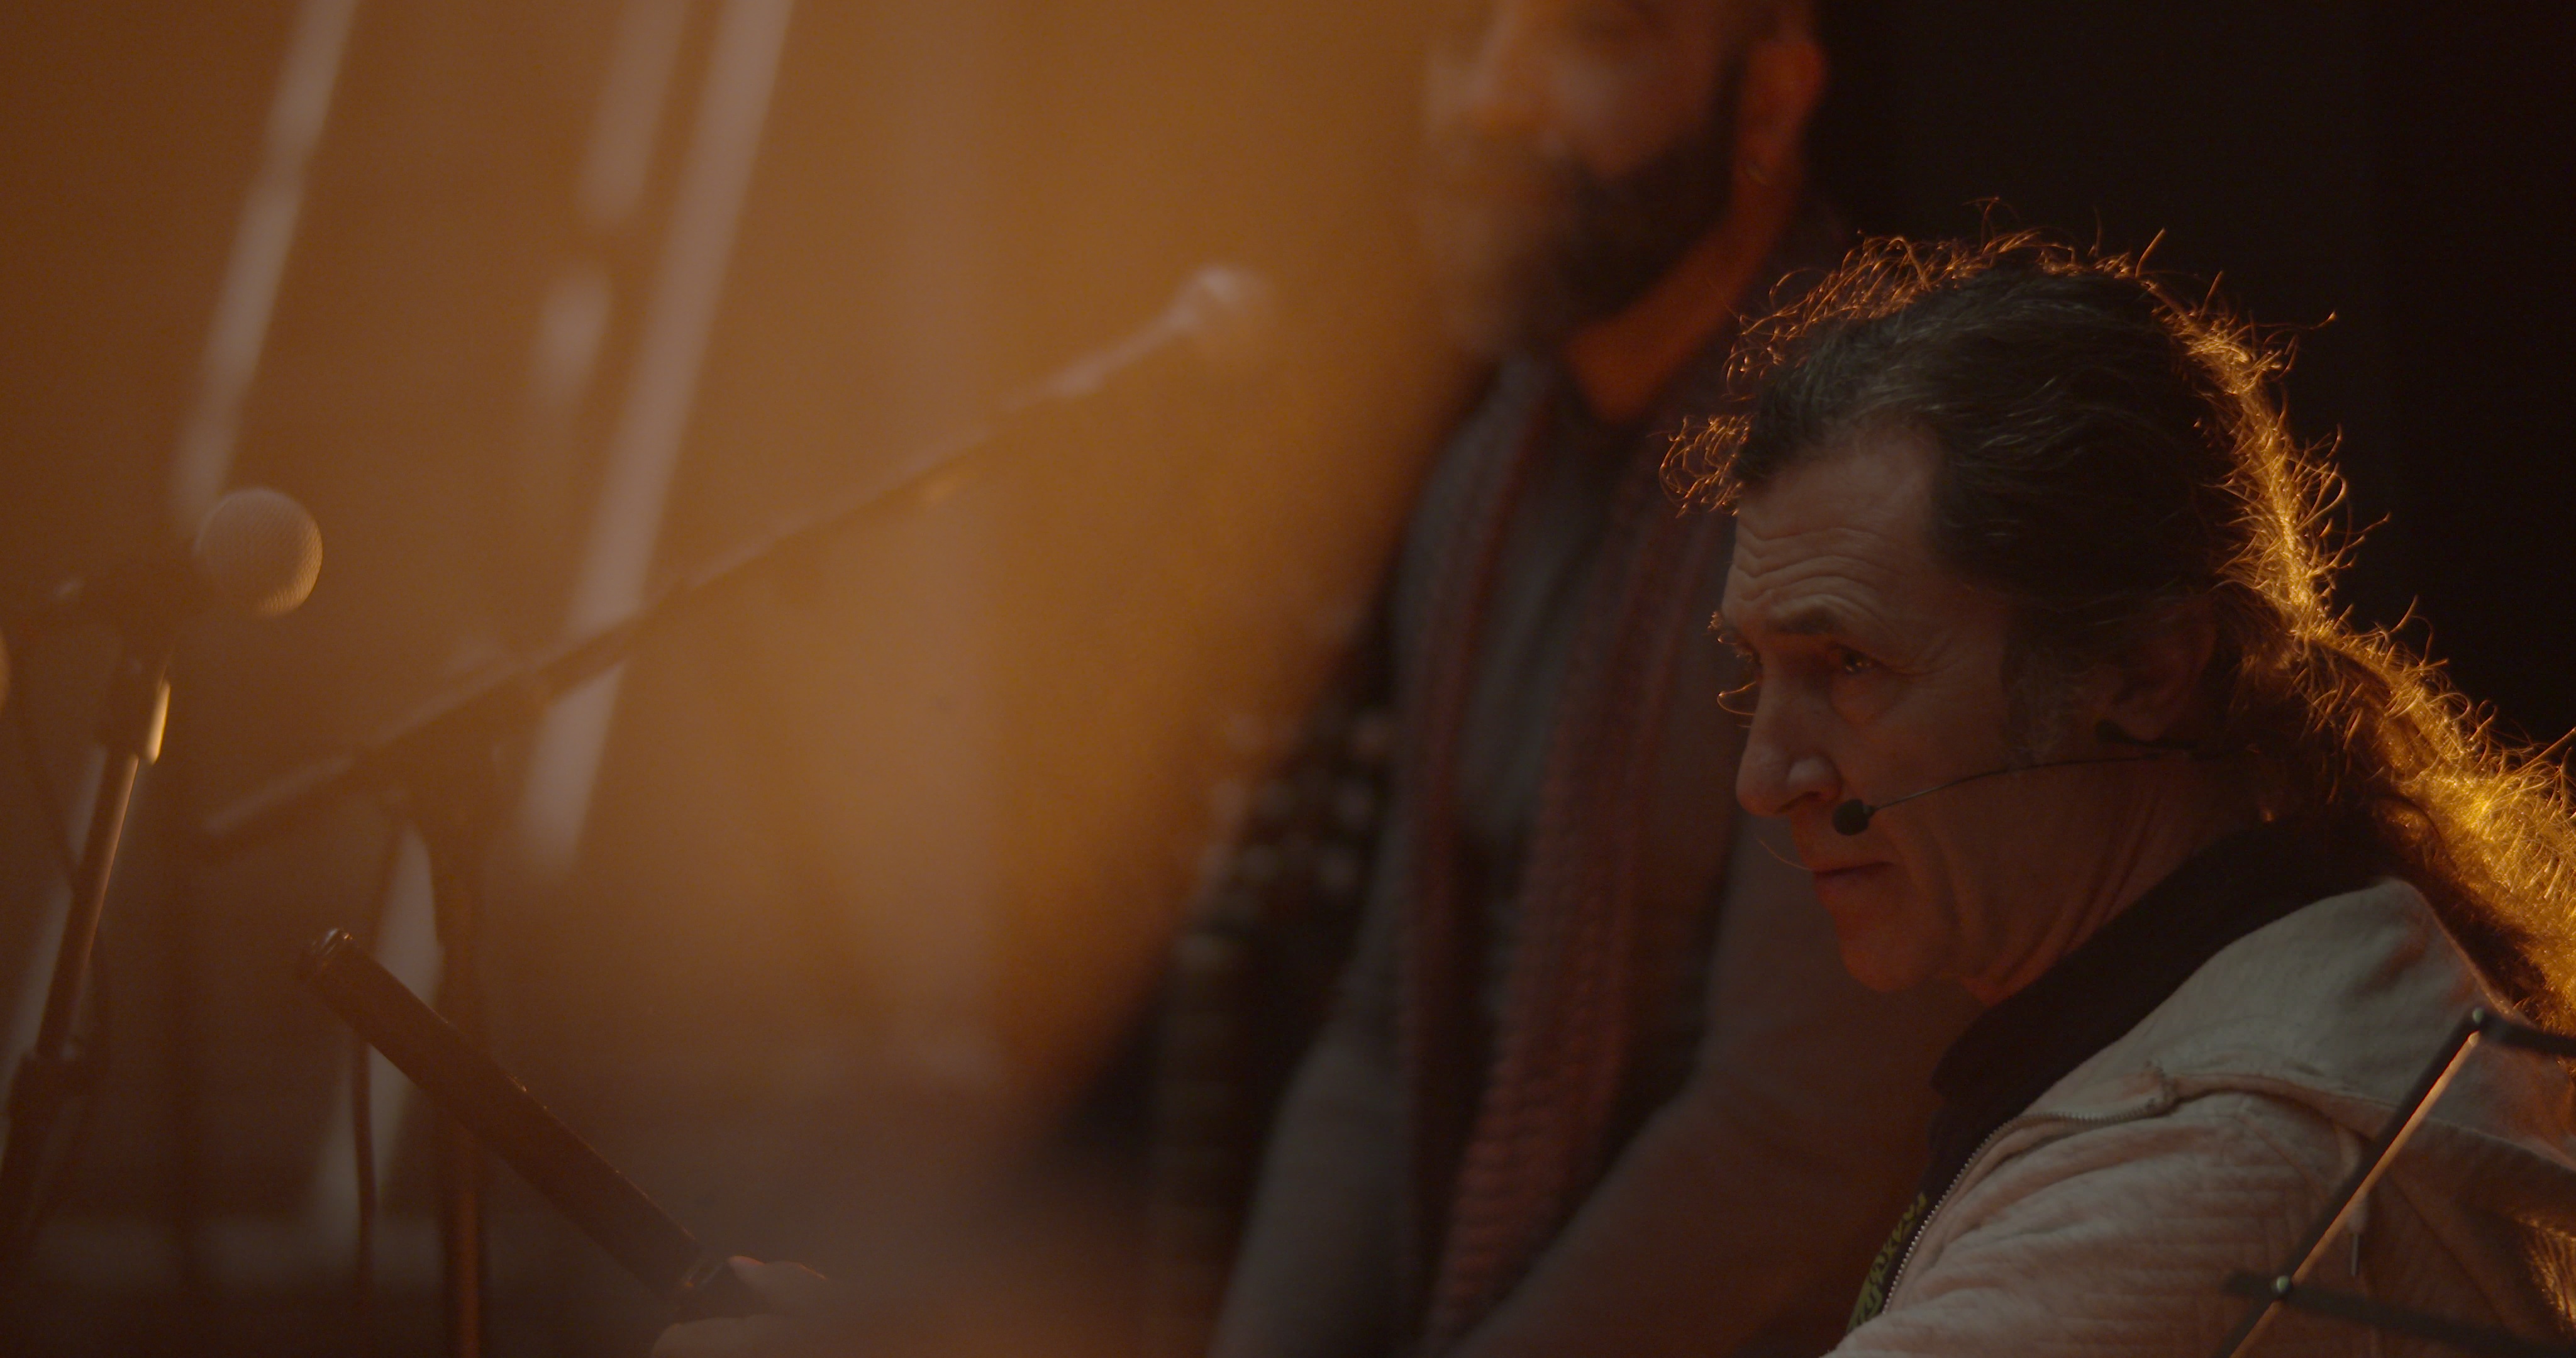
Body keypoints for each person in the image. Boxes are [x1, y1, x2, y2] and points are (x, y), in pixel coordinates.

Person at [1207, 3, 1975, 1358]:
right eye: (1458, 32)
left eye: (1592, 35)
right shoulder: (1478, 482)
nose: (1487, 103)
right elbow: (1384, 1036)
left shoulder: (1880, 497)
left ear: (1767, 105)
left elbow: (1799, 1145)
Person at [1692, 232, 2576, 1354]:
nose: (1763, 779)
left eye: (1851, 665)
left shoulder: (2217, 1170)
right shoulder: (2291, 984)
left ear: (2144, 675)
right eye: (1757, 673)